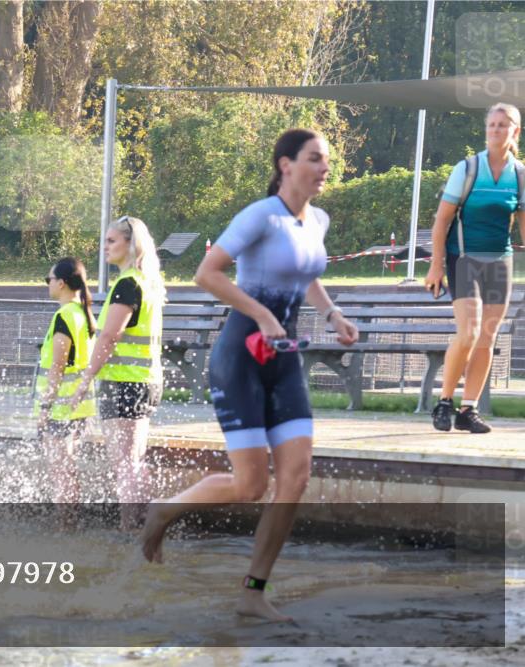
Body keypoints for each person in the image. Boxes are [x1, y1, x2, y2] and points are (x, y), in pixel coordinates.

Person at [138, 129, 359, 622]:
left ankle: (253, 591)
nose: (325, 168)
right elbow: (207, 273)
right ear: (286, 165)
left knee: (296, 479)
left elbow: (307, 274)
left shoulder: (316, 219)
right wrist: (260, 313)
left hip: (282, 361)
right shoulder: (260, 216)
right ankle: (165, 509)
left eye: (326, 161)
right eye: (315, 159)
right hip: (241, 356)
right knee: (250, 484)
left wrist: (332, 315)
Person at [426, 103, 523, 434]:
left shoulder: (520, 175)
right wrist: (435, 266)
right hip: (463, 258)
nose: (495, 130)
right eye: (491, 124)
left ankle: (468, 410)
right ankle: (444, 402)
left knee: (487, 336)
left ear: (515, 132)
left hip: (499, 262)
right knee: (468, 331)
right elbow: (442, 221)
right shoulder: (467, 169)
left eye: (502, 125)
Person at [70, 216, 165, 522]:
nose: (105, 247)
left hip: (126, 383)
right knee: (133, 461)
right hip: (143, 382)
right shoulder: (145, 281)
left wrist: (86, 378)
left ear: (130, 243)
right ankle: (145, 526)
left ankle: (132, 532)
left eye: (111, 241)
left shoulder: (128, 284)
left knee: (125, 463)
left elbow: (110, 335)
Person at [36, 257, 97, 503]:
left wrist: (45, 406)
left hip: (60, 408)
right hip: (80, 406)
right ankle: (70, 524)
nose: (47, 284)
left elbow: (58, 367)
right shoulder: (83, 313)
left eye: (48, 279)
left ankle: (65, 528)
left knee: (60, 471)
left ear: (61, 283)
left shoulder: (65, 316)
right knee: (68, 469)